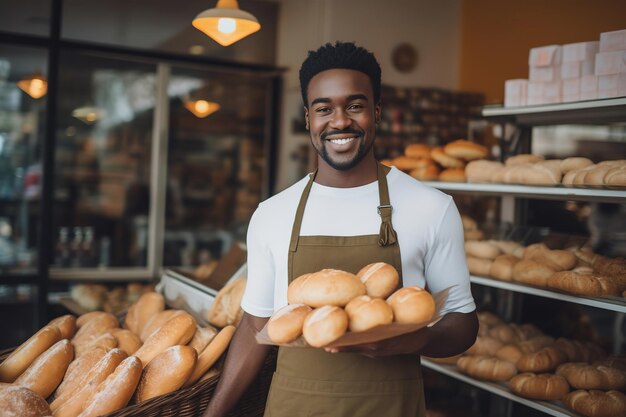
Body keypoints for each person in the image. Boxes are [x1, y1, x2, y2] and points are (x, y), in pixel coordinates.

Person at [203, 41, 478, 417]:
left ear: (376, 112)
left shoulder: (431, 207)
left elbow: (463, 323)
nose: (340, 121)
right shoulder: (272, 214)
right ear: (307, 119)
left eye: (355, 105)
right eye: (324, 108)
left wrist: (415, 340)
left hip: (391, 406)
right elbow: (256, 326)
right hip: (293, 406)